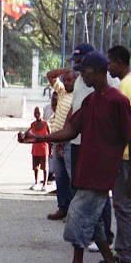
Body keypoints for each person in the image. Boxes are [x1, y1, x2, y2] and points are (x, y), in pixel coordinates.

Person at [19, 50, 131, 263]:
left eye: (86, 72)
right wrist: (40, 138)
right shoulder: (90, 100)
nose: (82, 76)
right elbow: (72, 130)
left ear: (100, 72)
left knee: (78, 215)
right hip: (86, 168)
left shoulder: (118, 101)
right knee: (93, 220)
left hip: (101, 173)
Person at [66, 43, 115, 252]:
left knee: (96, 196)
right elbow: (74, 108)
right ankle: (89, 236)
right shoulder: (81, 82)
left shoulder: (109, 89)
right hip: (78, 143)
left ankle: (105, 237)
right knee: (80, 194)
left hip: (96, 149)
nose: (78, 67)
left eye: (81, 63)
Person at [103, 45, 131, 263]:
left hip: (128, 155)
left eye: (110, 62)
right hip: (128, 154)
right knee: (123, 205)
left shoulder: (127, 85)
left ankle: (127, 253)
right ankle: (125, 249)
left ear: (120, 63)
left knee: (125, 205)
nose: (107, 66)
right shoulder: (130, 83)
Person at [45, 65, 77, 220]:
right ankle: (63, 208)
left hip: (69, 141)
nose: (67, 83)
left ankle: (73, 212)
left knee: (72, 177)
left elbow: (71, 121)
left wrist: (63, 140)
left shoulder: (78, 96)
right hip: (57, 140)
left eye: (70, 80)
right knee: (60, 177)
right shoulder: (63, 93)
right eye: (65, 80)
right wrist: (66, 70)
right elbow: (50, 75)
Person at [28, 106, 50, 191]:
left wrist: (50, 149)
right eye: (35, 113)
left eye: (39, 113)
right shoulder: (33, 124)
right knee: (35, 167)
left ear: (42, 114)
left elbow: (49, 136)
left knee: (45, 167)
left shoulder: (45, 124)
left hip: (44, 149)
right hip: (35, 149)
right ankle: (36, 182)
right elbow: (28, 133)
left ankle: (44, 183)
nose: (37, 115)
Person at [43, 91, 58, 182]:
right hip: (49, 139)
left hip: (58, 139)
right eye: (52, 99)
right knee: (49, 158)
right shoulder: (48, 111)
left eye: (56, 100)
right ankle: (49, 174)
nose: (53, 102)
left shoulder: (62, 113)